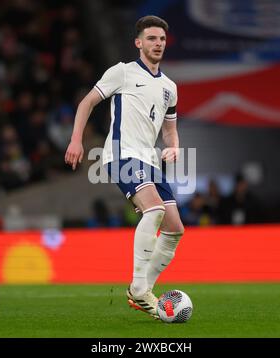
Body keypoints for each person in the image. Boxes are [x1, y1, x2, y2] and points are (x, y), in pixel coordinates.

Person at [65, 15, 184, 319]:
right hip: (121, 155)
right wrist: (76, 140)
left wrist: (173, 146)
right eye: (151, 39)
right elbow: (87, 102)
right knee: (155, 211)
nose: (157, 44)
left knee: (174, 230)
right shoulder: (122, 72)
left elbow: (169, 130)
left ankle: (141, 290)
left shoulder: (170, 87)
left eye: (161, 39)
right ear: (139, 43)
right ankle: (139, 287)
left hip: (150, 160)